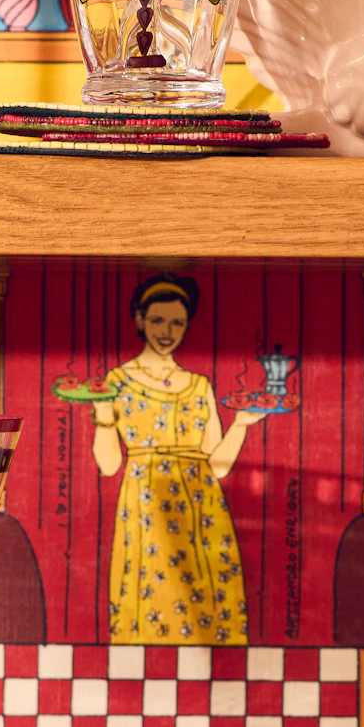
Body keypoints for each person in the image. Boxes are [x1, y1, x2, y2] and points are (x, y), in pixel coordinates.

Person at [90, 272, 266, 645]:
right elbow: (108, 465)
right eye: (158, 320)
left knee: (207, 595)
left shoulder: (199, 384)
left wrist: (241, 424)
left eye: (177, 323)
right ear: (140, 319)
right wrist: (103, 416)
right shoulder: (117, 381)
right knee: (152, 592)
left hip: (202, 502)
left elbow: (218, 466)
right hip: (146, 499)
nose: (167, 331)